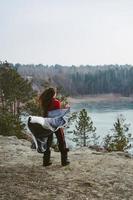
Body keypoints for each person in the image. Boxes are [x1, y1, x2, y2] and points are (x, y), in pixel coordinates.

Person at [39, 87, 70, 167]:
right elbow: (58, 114)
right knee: (61, 141)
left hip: (47, 123)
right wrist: (66, 108)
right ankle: (64, 161)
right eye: (55, 93)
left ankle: (46, 161)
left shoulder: (44, 101)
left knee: (47, 142)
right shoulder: (56, 102)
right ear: (53, 94)